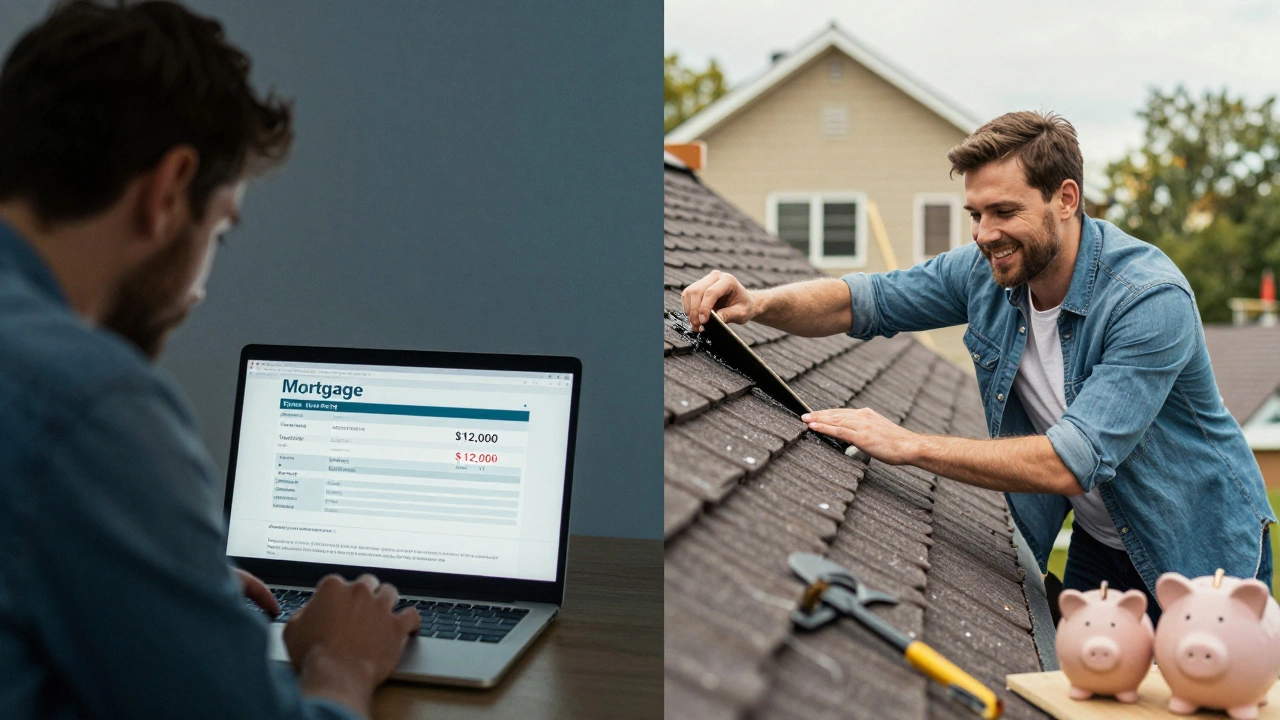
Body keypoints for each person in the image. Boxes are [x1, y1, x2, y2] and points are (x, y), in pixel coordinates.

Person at [683, 110, 1275, 622]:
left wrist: (905, 443)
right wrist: (758, 303)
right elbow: (863, 300)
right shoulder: (987, 271)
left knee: (1201, 695)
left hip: (1200, 548)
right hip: (1099, 543)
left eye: (1003, 212)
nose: (985, 234)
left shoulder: (1147, 301)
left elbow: (1073, 459)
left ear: (1065, 199)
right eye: (975, 214)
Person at [0, 2, 419, 718]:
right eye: (219, 232)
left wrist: (152, 581)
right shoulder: (92, 401)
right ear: (168, 190)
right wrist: (342, 662)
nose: (197, 293)